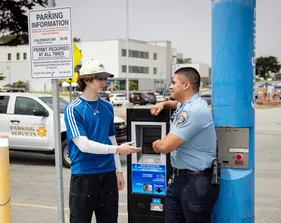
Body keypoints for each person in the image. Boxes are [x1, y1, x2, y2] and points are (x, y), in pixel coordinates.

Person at [64, 59, 141, 223]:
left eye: (104, 78)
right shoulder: (73, 109)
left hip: (108, 174)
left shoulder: (107, 106)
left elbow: (111, 138)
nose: (104, 82)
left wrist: (118, 170)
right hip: (84, 176)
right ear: (86, 79)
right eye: (99, 78)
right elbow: (83, 145)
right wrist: (117, 150)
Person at [150, 67, 219, 223]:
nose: (170, 86)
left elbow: (165, 147)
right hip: (181, 179)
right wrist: (165, 104)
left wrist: (155, 144)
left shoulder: (193, 111)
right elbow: (177, 105)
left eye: (174, 83)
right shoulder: (187, 105)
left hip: (195, 183)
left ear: (186, 85)